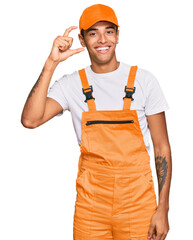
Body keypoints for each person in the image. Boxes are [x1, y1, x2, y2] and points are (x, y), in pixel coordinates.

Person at [21, 3, 172, 240]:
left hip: (138, 205)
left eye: (109, 31)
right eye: (93, 33)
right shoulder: (71, 84)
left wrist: (163, 208)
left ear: (118, 36)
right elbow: (30, 119)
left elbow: (162, 147)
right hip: (90, 209)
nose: (102, 39)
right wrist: (52, 63)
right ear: (82, 40)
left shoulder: (144, 81)